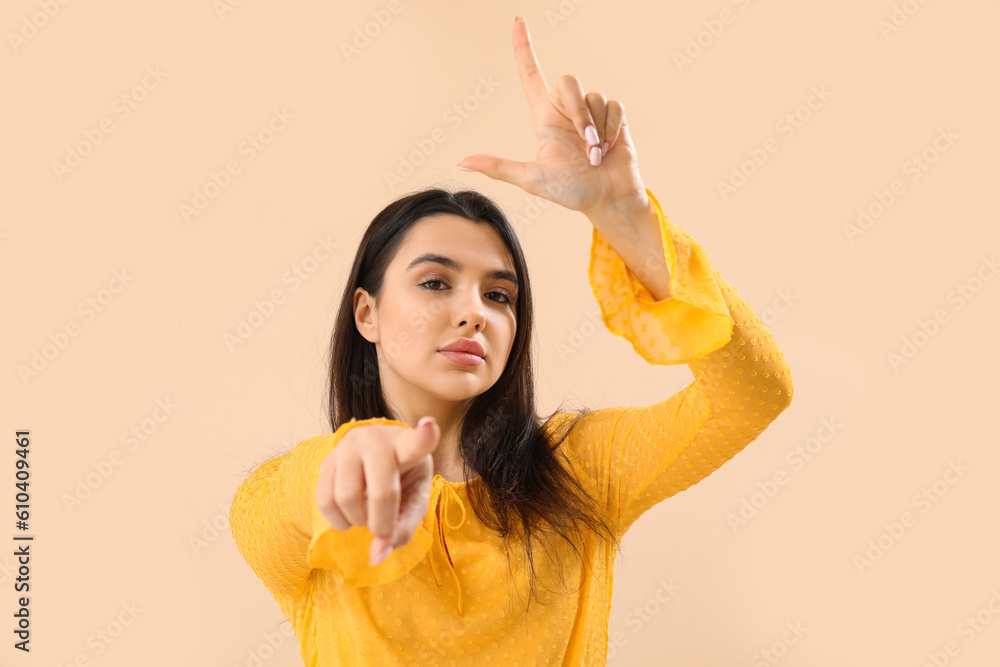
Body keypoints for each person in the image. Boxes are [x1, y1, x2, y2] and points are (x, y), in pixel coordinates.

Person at [230, 15, 794, 666]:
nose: (475, 313)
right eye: (436, 282)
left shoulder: (581, 469)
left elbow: (754, 395)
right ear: (367, 313)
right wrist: (353, 459)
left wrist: (625, 218)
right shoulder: (298, 497)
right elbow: (282, 511)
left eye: (499, 295)